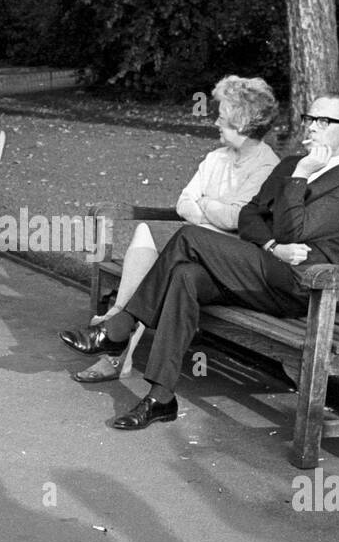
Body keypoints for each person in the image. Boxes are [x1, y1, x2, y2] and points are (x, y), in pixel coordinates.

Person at [59, 94, 339, 430]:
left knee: (190, 237)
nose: (312, 127)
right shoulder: (291, 163)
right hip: (264, 269)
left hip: (301, 288)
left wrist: (302, 175)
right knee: (186, 276)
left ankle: (119, 327)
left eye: (324, 122)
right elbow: (250, 215)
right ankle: (161, 398)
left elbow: (295, 227)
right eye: (309, 119)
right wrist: (274, 244)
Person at [71, 75, 280, 384]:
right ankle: (117, 334)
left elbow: (238, 219)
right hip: (191, 253)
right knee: (144, 235)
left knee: (166, 265)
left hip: (227, 269)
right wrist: (213, 212)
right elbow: (184, 204)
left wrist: (205, 207)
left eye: (221, 116)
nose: (215, 123)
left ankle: (116, 343)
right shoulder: (215, 159)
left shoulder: (267, 167)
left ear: (243, 122)